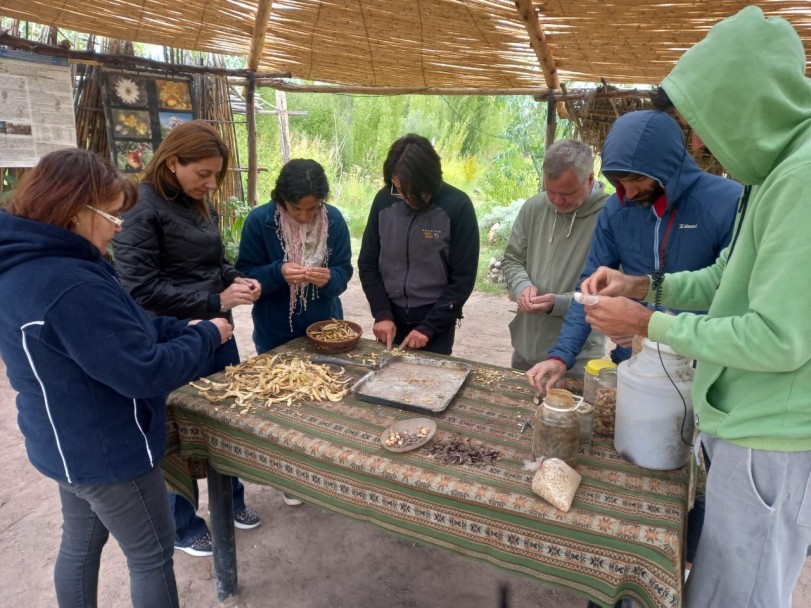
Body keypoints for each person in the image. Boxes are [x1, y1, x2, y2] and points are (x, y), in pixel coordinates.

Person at [578, 7, 811, 607]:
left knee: (741, 595)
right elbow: (722, 278)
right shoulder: (775, 173)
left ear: (745, 102)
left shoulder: (801, 178)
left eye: (703, 124)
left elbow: (777, 338)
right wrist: (641, 287)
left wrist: (649, 324)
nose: (701, 143)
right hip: (744, 422)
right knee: (714, 588)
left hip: (771, 437)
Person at [0, 149, 231, 607]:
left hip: (61, 442)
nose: (118, 226)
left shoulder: (24, 263)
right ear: (75, 210)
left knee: (81, 542)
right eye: (110, 214)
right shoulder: (71, 282)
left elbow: (123, 332)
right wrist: (207, 335)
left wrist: (177, 328)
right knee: (150, 555)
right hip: (108, 449)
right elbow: (143, 370)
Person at [112, 120, 262, 557]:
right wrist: (213, 299)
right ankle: (181, 523)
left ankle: (231, 501)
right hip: (173, 335)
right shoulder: (141, 206)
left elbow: (215, 262)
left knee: (224, 416)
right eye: (204, 174)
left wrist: (238, 279)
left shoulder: (200, 202)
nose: (211, 184)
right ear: (173, 162)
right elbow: (139, 287)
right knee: (176, 428)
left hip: (218, 327)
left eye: (216, 175)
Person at [525, 110, 741, 394]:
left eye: (635, 180)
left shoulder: (727, 202)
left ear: (667, 168)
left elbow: (732, 297)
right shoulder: (616, 210)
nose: (628, 192)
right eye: (618, 181)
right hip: (635, 365)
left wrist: (649, 325)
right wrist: (560, 356)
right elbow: (588, 290)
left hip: (702, 372)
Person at [358, 133, 479, 355]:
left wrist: (430, 327)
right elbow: (367, 262)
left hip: (436, 318)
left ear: (431, 181)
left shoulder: (457, 206)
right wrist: (382, 313)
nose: (407, 198)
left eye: (414, 192)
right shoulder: (384, 201)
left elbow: (464, 277)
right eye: (399, 190)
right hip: (390, 318)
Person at [502, 139, 609, 374]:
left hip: (578, 359)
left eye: (567, 193)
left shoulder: (609, 217)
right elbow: (512, 259)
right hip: (525, 350)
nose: (557, 201)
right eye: (550, 191)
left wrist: (558, 304)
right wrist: (522, 286)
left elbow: (608, 290)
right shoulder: (534, 207)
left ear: (590, 179)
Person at [236, 158, 353, 354]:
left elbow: (343, 270)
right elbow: (244, 275)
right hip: (275, 333)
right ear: (282, 198)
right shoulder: (260, 221)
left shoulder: (333, 220)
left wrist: (330, 278)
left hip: (325, 329)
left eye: (313, 208)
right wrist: (278, 272)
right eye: (296, 208)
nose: (304, 217)